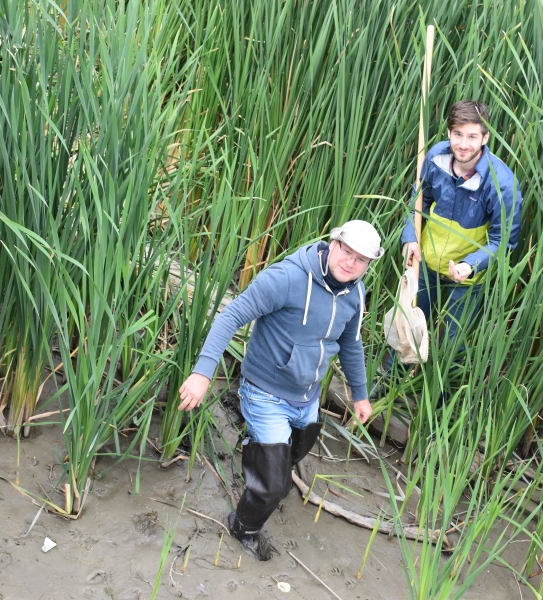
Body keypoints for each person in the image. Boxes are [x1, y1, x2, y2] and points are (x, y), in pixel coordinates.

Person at [176, 220, 384, 560]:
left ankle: (259, 450)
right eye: (346, 251)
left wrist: (359, 394)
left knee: (293, 454)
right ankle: (243, 527)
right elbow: (231, 317)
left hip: (308, 396)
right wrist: (202, 372)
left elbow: (351, 343)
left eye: (361, 259)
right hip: (265, 391)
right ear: (333, 243)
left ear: (369, 263)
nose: (350, 262)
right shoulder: (287, 278)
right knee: (274, 485)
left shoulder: (355, 292)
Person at [374, 100, 522, 398]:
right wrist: (409, 237)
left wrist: (471, 265)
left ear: (485, 137)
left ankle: (438, 404)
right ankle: (389, 384)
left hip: (467, 277)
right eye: (457, 134)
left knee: (452, 343)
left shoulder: (501, 183)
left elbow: (503, 241)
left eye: (471, 136)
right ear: (449, 133)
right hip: (427, 262)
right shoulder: (436, 157)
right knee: (408, 325)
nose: (463, 144)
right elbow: (419, 200)